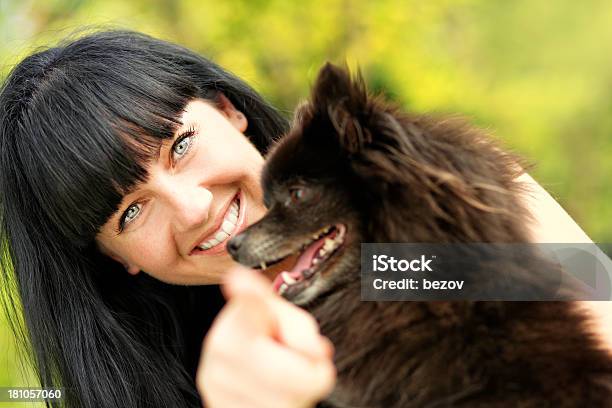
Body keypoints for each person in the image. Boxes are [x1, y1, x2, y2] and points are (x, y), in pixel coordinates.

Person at [0, 30, 608, 408]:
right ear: (115, 259)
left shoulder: (413, 180)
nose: (192, 207)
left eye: (179, 146)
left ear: (226, 109)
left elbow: (589, 297)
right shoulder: (168, 381)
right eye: (131, 212)